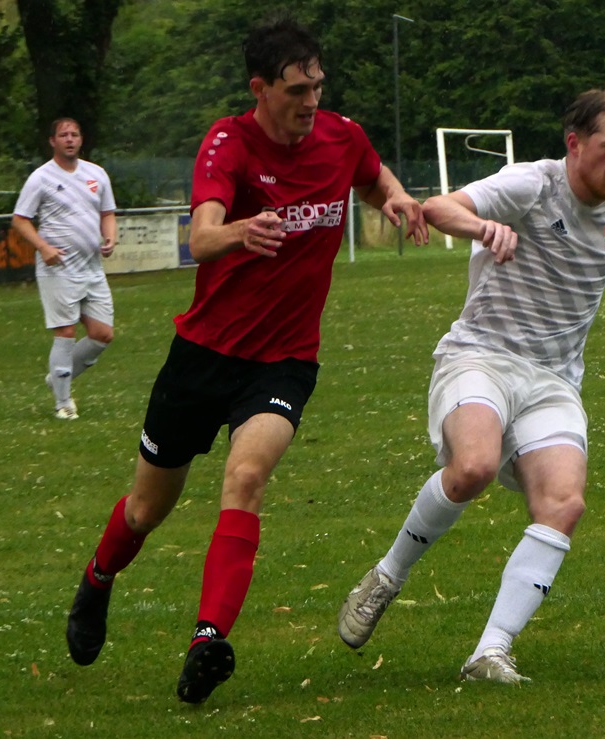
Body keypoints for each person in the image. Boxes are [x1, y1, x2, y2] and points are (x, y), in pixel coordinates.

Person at [63, 15, 428, 705]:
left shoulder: (342, 136)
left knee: (248, 474)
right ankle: (99, 578)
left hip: (284, 361)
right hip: (203, 356)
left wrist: (399, 197)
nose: (311, 102)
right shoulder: (228, 143)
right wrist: (242, 231)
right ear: (260, 89)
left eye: (317, 86)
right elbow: (201, 238)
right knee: (145, 509)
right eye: (296, 90)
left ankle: (208, 641)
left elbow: (372, 175)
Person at [337, 89, 605, 684]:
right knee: (472, 467)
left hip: (554, 379)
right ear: (575, 144)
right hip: (481, 357)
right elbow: (438, 207)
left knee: (564, 503)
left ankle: (489, 653)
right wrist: (484, 227)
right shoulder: (532, 184)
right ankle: (387, 576)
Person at [12, 118, 118, 421]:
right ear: (53, 141)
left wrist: (110, 236)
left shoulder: (96, 174)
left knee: (102, 334)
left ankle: (58, 376)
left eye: (74, 134)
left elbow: (107, 213)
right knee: (66, 331)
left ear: (81, 140)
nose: (69, 139)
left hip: (92, 268)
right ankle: (63, 403)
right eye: (63, 135)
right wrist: (43, 247)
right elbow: (20, 219)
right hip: (58, 268)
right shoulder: (41, 178)